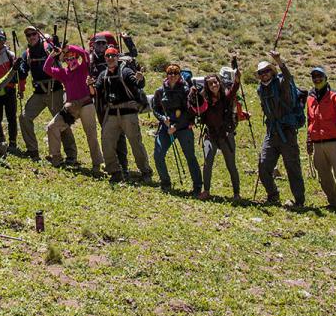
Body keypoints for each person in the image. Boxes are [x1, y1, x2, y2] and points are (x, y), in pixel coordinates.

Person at [92, 45, 152, 183]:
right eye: (108, 56)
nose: (110, 58)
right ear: (105, 58)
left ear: (118, 57)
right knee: (107, 142)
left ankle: (145, 171)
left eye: (113, 55)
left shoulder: (125, 71)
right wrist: (90, 85)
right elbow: (97, 91)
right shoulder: (103, 75)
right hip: (112, 113)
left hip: (128, 113)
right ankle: (114, 171)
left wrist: (140, 79)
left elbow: (137, 83)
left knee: (135, 143)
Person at [17, 26, 77, 164]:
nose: (31, 37)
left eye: (33, 34)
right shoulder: (26, 54)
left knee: (62, 122)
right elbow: (23, 72)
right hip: (39, 93)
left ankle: (71, 155)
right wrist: (20, 70)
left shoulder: (48, 47)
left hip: (54, 91)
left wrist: (58, 48)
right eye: (28, 35)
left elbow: (62, 57)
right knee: (24, 118)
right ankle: (33, 150)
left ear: (38, 35)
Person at [255, 50, 305, 207]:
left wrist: (278, 60)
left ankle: (299, 201)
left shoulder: (281, 83)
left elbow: (288, 76)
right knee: (263, 166)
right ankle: (273, 195)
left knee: (292, 168)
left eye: (267, 71)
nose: (264, 74)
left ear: (272, 71)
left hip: (287, 133)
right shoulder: (260, 89)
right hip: (271, 133)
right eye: (261, 72)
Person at [43, 43, 103, 175]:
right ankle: (56, 158)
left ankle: (97, 164)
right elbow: (47, 69)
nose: (71, 61)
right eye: (67, 59)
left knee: (91, 135)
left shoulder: (84, 68)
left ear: (77, 58)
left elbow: (85, 54)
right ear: (65, 61)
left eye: (73, 58)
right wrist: (53, 55)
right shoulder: (64, 73)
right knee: (52, 127)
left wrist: (69, 48)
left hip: (87, 104)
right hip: (71, 107)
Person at [306, 66, 336, 214]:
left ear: (326, 77)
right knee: (324, 176)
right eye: (314, 77)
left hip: (335, 142)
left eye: (319, 76)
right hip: (317, 143)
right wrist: (309, 140)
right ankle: (334, 202)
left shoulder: (335, 96)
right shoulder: (310, 97)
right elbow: (310, 120)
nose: (317, 79)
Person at [152, 64, 204, 196]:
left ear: (179, 75)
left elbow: (189, 112)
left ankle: (197, 186)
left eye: (175, 73)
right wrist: (163, 119)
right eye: (170, 73)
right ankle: (165, 182)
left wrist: (176, 126)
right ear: (166, 75)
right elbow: (155, 108)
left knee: (190, 156)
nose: (173, 76)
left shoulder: (186, 90)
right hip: (166, 127)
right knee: (158, 154)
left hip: (183, 128)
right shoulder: (160, 91)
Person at [197, 60, 242, 201]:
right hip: (210, 135)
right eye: (210, 84)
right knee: (207, 162)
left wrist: (237, 79)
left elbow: (234, 88)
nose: (214, 85)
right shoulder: (204, 100)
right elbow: (194, 106)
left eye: (215, 82)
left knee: (231, 165)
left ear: (219, 83)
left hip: (225, 135)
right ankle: (206, 191)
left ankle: (236, 193)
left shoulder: (226, 97)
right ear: (207, 86)